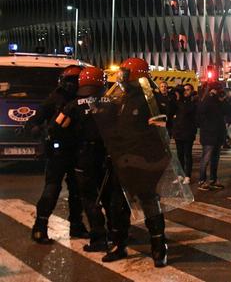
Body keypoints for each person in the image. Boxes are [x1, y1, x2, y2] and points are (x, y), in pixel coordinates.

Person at [95, 57, 168, 267]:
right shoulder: (122, 98)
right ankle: (119, 244)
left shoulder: (151, 100)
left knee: (149, 203)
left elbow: (159, 129)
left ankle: (158, 245)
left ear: (136, 76)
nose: (121, 78)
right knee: (118, 205)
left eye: (125, 74)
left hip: (144, 161)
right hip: (122, 159)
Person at [28, 65, 89, 243]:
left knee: (77, 191)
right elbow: (37, 118)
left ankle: (77, 225)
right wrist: (36, 129)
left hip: (79, 150)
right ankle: (40, 227)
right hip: (59, 151)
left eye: (76, 81)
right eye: (70, 81)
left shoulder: (85, 97)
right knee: (52, 188)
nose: (73, 85)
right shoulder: (55, 98)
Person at [56, 66, 112, 252]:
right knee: (110, 196)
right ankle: (117, 232)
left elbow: (57, 128)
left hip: (84, 157)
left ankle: (98, 238)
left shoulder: (73, 105)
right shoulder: (112, 102)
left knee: (89, 198)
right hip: (107, 156)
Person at [197, 82, 231, 190]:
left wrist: (224, 99)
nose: (219, 91)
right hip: (208, 134)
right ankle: (202, 180)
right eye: (218, 89)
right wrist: (210, 97)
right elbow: (201, 111)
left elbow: (230, 111)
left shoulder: (220, 101)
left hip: (218, 134)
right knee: (206, 158)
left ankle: (213, 179)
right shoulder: (207, 100)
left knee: (215, 159)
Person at [171, 84, 197, 183]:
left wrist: (179, 100)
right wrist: (176, 97)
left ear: (191, 91)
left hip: (188, 132)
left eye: (187, 90)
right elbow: (170, 110)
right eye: (184, 90)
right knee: (179, 154)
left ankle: (187, 175)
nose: (185, 92)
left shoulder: (193, 101)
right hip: (178, 132)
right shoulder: (178, 101)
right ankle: (180, 175)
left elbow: (187, 110)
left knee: (187, 154)